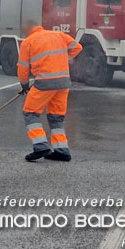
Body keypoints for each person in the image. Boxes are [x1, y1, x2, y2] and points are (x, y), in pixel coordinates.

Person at [17, 20, 82, 162]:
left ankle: (40, 146)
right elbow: (78, 47)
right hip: (63, 82)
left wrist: (24, 85)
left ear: (28, 30)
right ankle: (62, 150)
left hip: (44, 83)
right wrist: (67, 58)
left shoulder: (28, 41)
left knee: (30, 112)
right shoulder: (59, 35)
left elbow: (23, 67)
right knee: (56, 116)